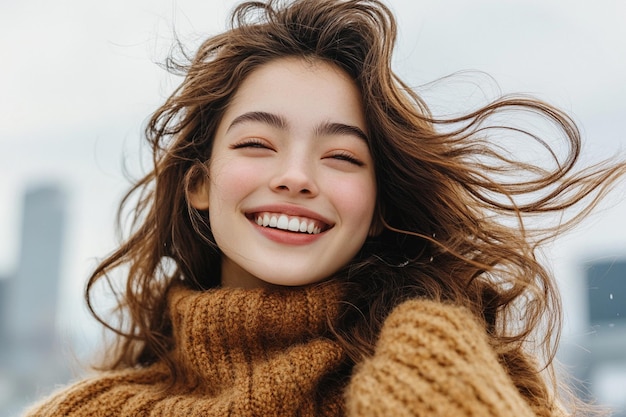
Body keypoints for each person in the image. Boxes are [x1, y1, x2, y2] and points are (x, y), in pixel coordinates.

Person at [25, 0, 625, 416]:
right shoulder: (85, 411)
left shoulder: (446, 364)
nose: (295, 177)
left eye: (341, 156)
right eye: (258, 144)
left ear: (378, 202)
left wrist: (432, 364)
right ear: (199, 185)